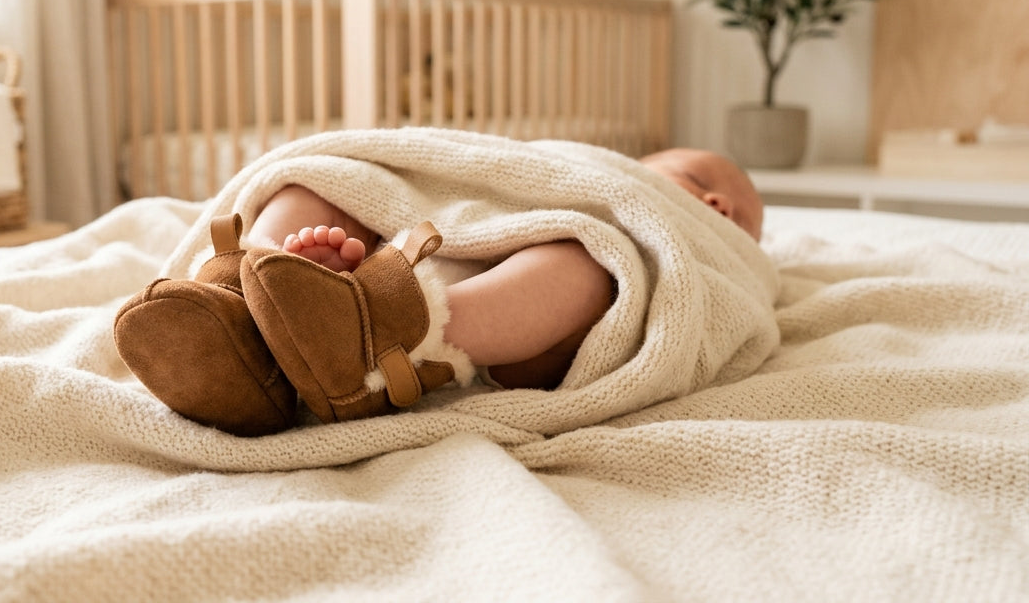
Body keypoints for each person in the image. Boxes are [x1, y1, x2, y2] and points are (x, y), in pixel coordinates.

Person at [115, 146, 764, 435]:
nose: (644, 170)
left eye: (668, 167)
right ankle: (243, 298)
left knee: (592, 255)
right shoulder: (566, 161)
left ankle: (381, 331)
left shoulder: (677, 220)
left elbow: (724, 299)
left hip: (505, 329)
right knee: (328, 181)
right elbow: (489, 171)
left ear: (714, 205)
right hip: (414, 244)